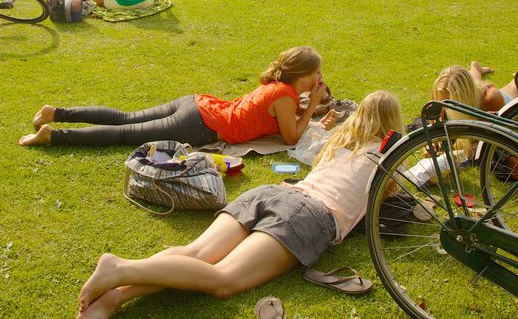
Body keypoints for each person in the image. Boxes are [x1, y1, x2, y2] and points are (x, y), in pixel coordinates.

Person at [73, 90, 403, 319]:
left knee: (195, 255)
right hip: (308, 215)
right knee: (224, 279)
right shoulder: (388, 156)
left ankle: (115, 297)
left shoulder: (337, 144)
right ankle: (119, 269)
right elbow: (399, 189)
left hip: (272, 192)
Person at [20, 46, 328, 148]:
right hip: (201, 124)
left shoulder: (280, 87)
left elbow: (281, 118)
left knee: (127, 119)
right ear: (302, 77)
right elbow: (291, 138)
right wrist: (312, 103)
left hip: (195, 104)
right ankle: (54, 136)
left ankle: (55, 112)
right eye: (316, 74)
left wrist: (309, 108)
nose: (319, 79)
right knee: (124, 134)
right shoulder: (287, 96)